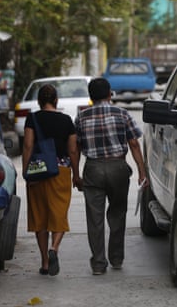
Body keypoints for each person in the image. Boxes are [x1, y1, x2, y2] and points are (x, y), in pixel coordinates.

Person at [75, 77, 147, 275]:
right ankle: (116, 258)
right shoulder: (122, 113)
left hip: (93, 169)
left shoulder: (81, 117)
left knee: (94, 218)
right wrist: (142, 171)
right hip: (118, 167)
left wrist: (75, 174)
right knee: (117, 213)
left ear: (90, 96)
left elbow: (75, 149)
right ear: (110, 94)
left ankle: (98, 264)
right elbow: (134, 144)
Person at [22, 84, 82, 276]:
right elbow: (73, 150)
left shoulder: (32, 118)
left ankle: (45, 263)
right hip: (60, 171)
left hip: (38, 172)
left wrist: (26, 172)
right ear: (56, 100)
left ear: (39, 101)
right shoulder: (66, 120)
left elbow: (28, 146)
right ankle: (54, 248)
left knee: (40, 216)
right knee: (58, 213)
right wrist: (76, 174)